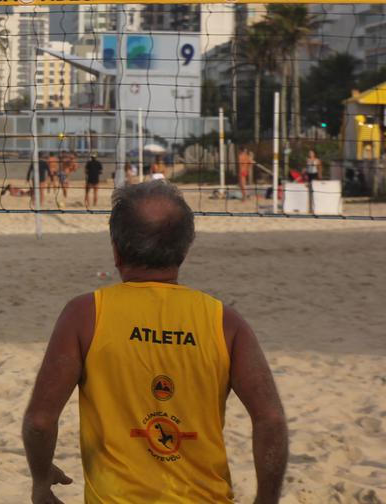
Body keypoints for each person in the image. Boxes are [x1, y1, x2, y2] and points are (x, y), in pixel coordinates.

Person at [21, 182, 287, 503]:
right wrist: (266, 499)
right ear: (184, 251)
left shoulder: (84, 315)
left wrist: (40, 478)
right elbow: (270, 420)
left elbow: (40, 421)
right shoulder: (226, 323)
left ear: (116, 250)